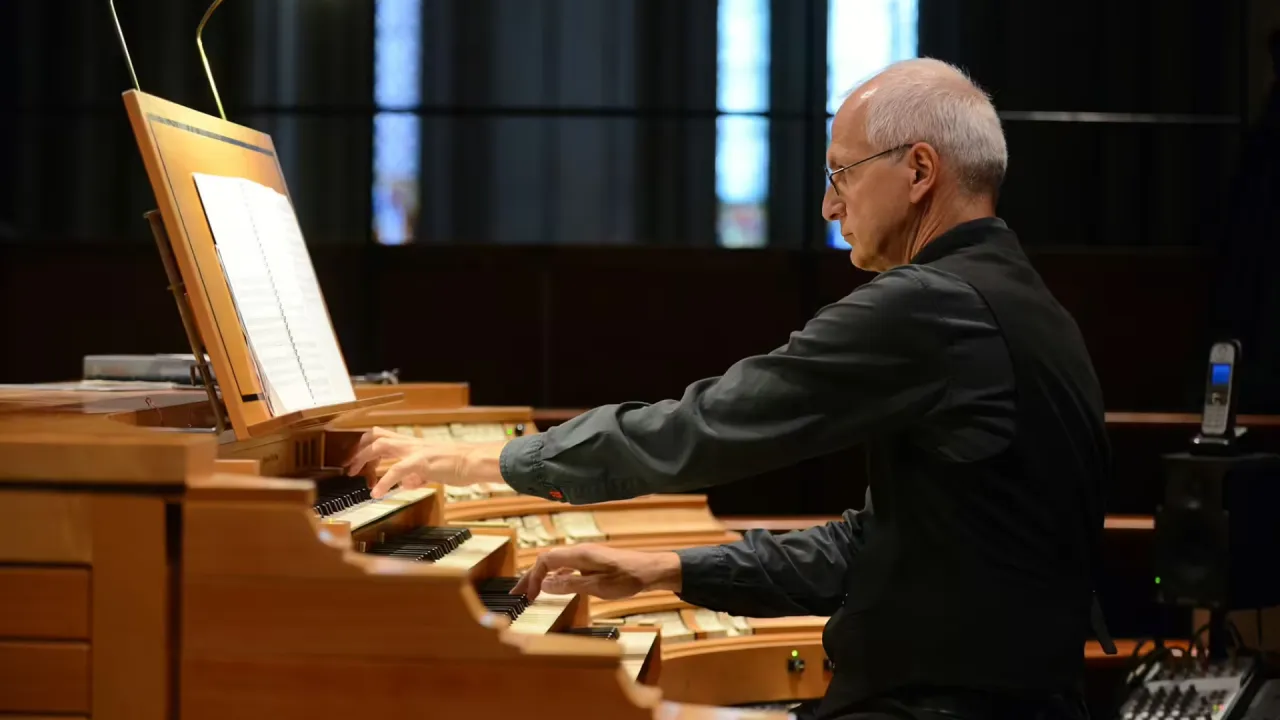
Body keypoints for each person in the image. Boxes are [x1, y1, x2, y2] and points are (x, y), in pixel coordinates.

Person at [346, 57, 1111, 720]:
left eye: (840, 173)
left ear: (917, 170)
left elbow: (707, 426)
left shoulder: (932, 305)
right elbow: (880, 548)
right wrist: (673, 570)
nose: (829, 205)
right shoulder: (1028, 307)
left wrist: (484, 464)